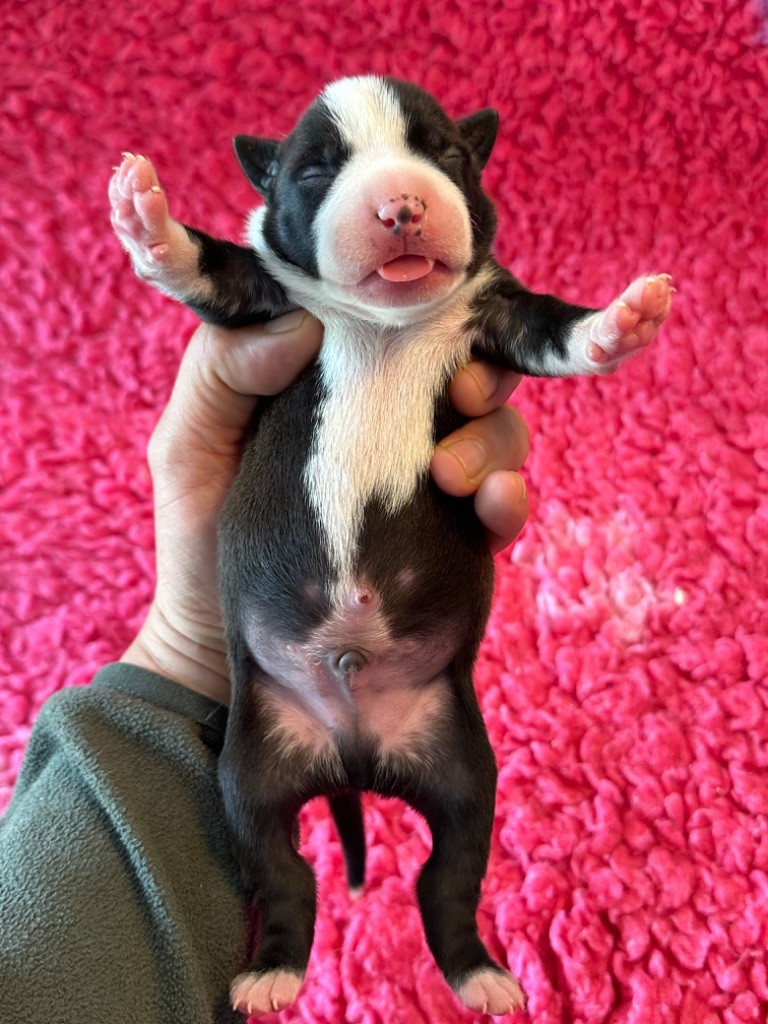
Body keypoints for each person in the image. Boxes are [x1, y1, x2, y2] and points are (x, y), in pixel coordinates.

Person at [0, 313, 530, 1024]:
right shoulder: (292, 291)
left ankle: (458, 943)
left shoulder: (443, 310)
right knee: (256, 801)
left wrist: (586, 338)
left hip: (404, 673)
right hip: (288, 675)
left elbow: (530, 327)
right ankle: (285, 938)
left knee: (467, 797)